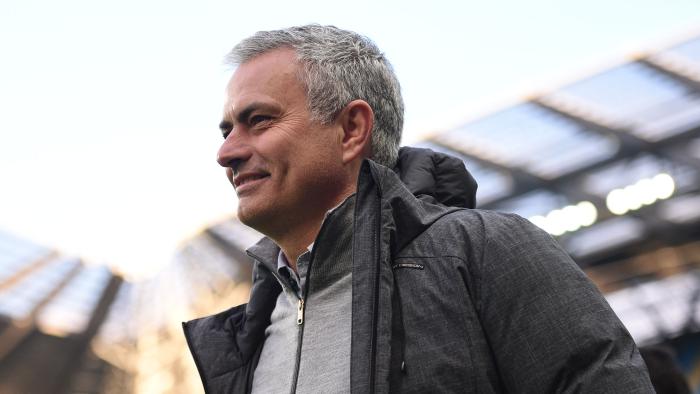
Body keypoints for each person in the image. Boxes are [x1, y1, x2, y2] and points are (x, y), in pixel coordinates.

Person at [182, 24, 654, 393]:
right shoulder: (251, 330)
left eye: (258, 120)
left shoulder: (489, 251)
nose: (227, 153)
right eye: (227, 131)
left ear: (351, 130)